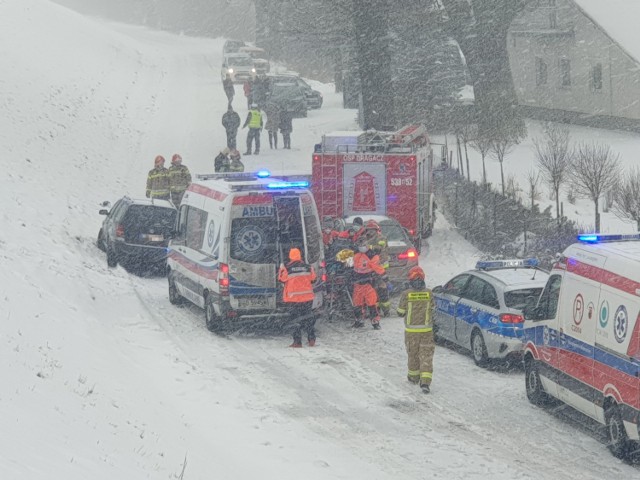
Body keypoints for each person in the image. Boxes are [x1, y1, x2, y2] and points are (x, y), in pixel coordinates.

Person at [397, 266, 435, 393]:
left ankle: (413, 377)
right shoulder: (429, 293)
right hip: (427, 332)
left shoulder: (406, 294)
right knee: (426, 355)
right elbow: (434, 310)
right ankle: (425, 382)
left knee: (412, 354)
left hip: (411, 332)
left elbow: (400, 312)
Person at [278, 247, 317, 348]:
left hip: (293, 299)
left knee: (295, 321)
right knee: (308, 319)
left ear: (290, 256)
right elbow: (313, 279)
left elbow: (281, 279)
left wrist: (281, 269)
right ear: (300, 255)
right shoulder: (308, 267)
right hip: (307, 298)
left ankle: (297, 342)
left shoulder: (287, 268)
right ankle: (311, 339)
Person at [351, 237, 385, 329]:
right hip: (357, 283)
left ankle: (375, 322)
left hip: (368, 283)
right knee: (357, 304)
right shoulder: (356, 254)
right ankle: (359, 320)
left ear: (367, 245)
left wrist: (383, 276)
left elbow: (377, 268)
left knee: (372, 303)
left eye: (364, 245)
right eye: (360, 245)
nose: (362, 247)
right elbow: (352, 266)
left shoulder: (372, 255)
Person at [361, 220, 391, 316]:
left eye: (372, 230)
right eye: (368, 230)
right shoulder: (364, 238)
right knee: (372, 290)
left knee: (382, 288)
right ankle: (376, 309)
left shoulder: (381, 238)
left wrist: (368, 246)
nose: (370, 232)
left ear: (376, 230)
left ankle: (386, 310)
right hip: (370, 268)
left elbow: (378, 248)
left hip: (380, 267)